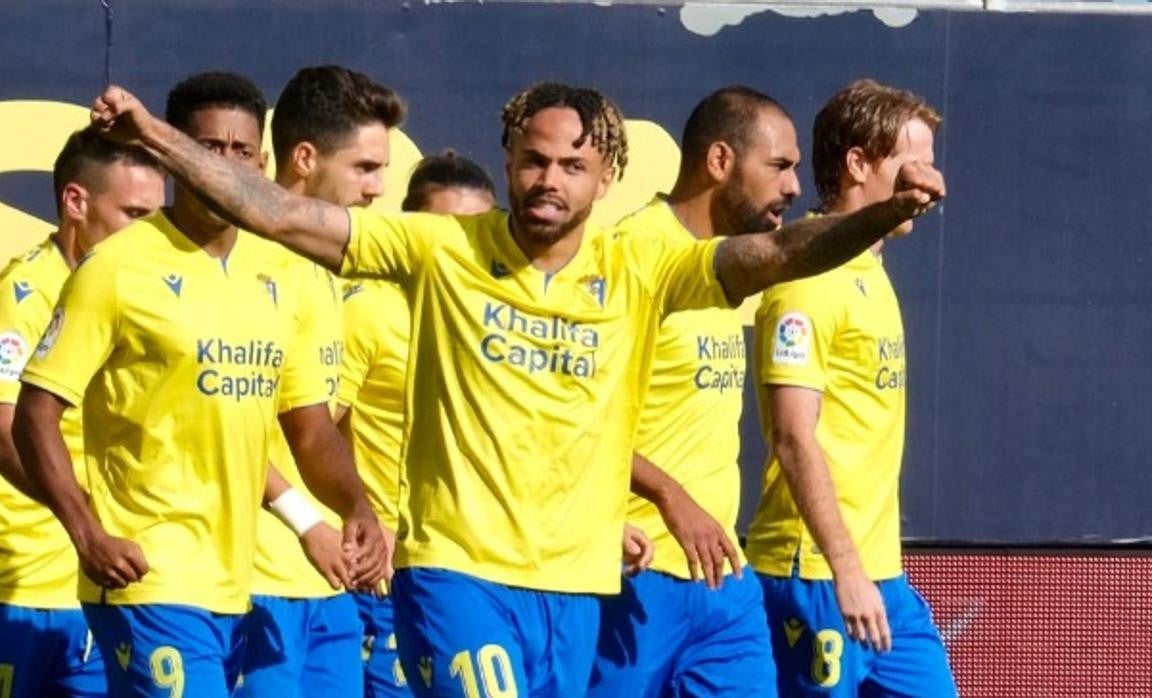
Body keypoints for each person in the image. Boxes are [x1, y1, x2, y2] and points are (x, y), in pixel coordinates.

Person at [86, 79, 944, 696]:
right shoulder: (442, 251)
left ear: (603, 176)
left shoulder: (638, 265)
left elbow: (782, 254)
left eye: (571, 165)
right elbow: (278, 213)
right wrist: (154, 137)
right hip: (455, 577)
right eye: (532, 161)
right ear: (508, 159)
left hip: (574, 594)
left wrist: (881, 214)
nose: (548, 180)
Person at [13, 71, 386, 698]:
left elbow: (310, 427)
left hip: (234, 579)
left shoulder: (282, 273)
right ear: (173, 156)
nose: (228, 165)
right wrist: (86, 532)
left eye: (242, 152)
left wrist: (356, 506)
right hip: (148, 573)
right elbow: (34, 412)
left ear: (262, 160)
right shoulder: (118, 267)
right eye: (210, 149)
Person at [0, 128, 164, 697]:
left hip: (96, 588)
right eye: (133, 213)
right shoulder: (24, 294)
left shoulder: (132, 296)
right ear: (75, 203)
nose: (149, 234)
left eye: (157, 217)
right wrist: (89, 528)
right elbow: (1, 433)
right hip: (2, 582)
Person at [745, 79, 957, 697]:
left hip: (880, 575)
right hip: (813, 574)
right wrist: (845, 567)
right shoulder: (807, 282)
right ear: (858, 164)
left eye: (930, 164)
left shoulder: (872, 269)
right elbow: (791, 435)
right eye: (910, 165)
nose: (927, 182)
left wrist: (867, 569)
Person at [588, 85, 801, 697]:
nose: (792, 187)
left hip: (722, 585)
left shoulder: (725, 268)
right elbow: (575, 420)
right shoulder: (632, 255)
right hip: (633, 573)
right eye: (779, 166)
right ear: (719, 162)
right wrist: (669, 496)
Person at [239, 64, 405, 698]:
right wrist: (309, 520)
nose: (378, 189)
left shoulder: (327, 272)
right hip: (252, 581)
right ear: (304, 158)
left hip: (325, 587)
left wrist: (362, 510)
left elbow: (326, 423)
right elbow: (225, 428)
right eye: (364, 169)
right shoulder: (245, 266)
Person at [333, 148, 497, 696]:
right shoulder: (370, 309)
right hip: (386, 575)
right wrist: (359, 515)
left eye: (477, 229)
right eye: (445, 226)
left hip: (479, 573)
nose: (459, 243)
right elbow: (309, 428)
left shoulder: (499, 316)